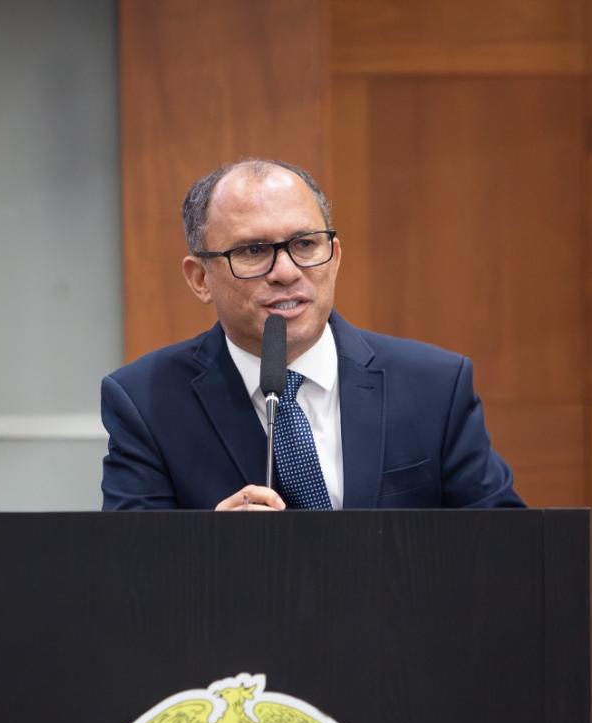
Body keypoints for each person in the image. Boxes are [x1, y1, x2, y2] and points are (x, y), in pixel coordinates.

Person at [100, 158, 524, 511]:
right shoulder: (147, 402)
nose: (286, 272)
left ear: (334, 257)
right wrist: (210, 553)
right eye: (253, 251)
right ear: (199, 279)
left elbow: (507, 550)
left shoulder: (435, 386)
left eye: (305, 244)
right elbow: (131, 578)